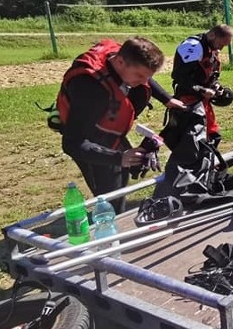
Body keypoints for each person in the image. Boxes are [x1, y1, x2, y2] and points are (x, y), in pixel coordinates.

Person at [56, 37, 185, 212]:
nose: (143, 81)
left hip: (110, 130)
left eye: (147, 77)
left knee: (123, 174)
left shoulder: (125, 59)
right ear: (120, 61)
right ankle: (110, 227)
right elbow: (72, 143)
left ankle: (117, 212)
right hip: (88, 137)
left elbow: (145, 77)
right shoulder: (91, 90)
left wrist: (167, 99)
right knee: (110, 192)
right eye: (139, 76)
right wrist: (119, 158)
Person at [171, 24, 233, 143]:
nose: (221, 48)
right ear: (212, 35)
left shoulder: (211, 48)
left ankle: (207, 160)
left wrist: (215, 86)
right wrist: (202, 90)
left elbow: (209, 74)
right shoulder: (193, 47)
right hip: (188, 100)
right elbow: (179, 76)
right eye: (221, 44)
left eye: (224, 45)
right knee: (193, 140)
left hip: (202, 100)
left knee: (212, 136)